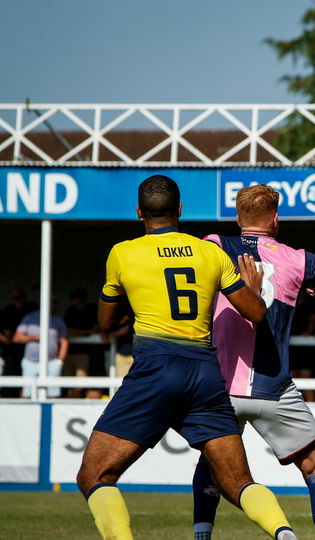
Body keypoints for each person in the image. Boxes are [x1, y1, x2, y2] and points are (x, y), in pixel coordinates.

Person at [75, 175, 299, 540]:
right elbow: (257, 313)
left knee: (94, 476)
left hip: (155, 366)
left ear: (139, 212)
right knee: (238, 483)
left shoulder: (123, 253)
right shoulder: (210, 251)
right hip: (204, 373)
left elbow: (105, 322)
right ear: (180, 210)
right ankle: (283, 531)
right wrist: (254, 291)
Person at [192, 184, 315, 540]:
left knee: (212, 464)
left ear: (238, 218)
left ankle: (201, 535)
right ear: (276, 220)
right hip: (275, 389)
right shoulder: (298, 259)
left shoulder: (213, 246)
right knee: (314, 467)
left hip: (220, 389)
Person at [14, 297, 69, 399]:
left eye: (54, 302)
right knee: (27, 394)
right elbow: (17, 338)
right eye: (50, 302)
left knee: (52, 395)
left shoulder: (58, 320)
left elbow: (64, 341)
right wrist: (32, 337)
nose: (52, 304)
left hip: (51, 362)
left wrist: (59, 362)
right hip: (30, 362)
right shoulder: (29, 318)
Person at [63, 287, 101, 398]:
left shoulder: (92, 309)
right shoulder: (70, 311)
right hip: (70, 353)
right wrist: (87, 331)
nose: (77, 302)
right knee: (68, 385)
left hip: (88, 353)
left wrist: (79, 332)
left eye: (80, 299)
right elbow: (68, 330)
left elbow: (96, 329)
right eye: (75, 300)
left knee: (80, 385)